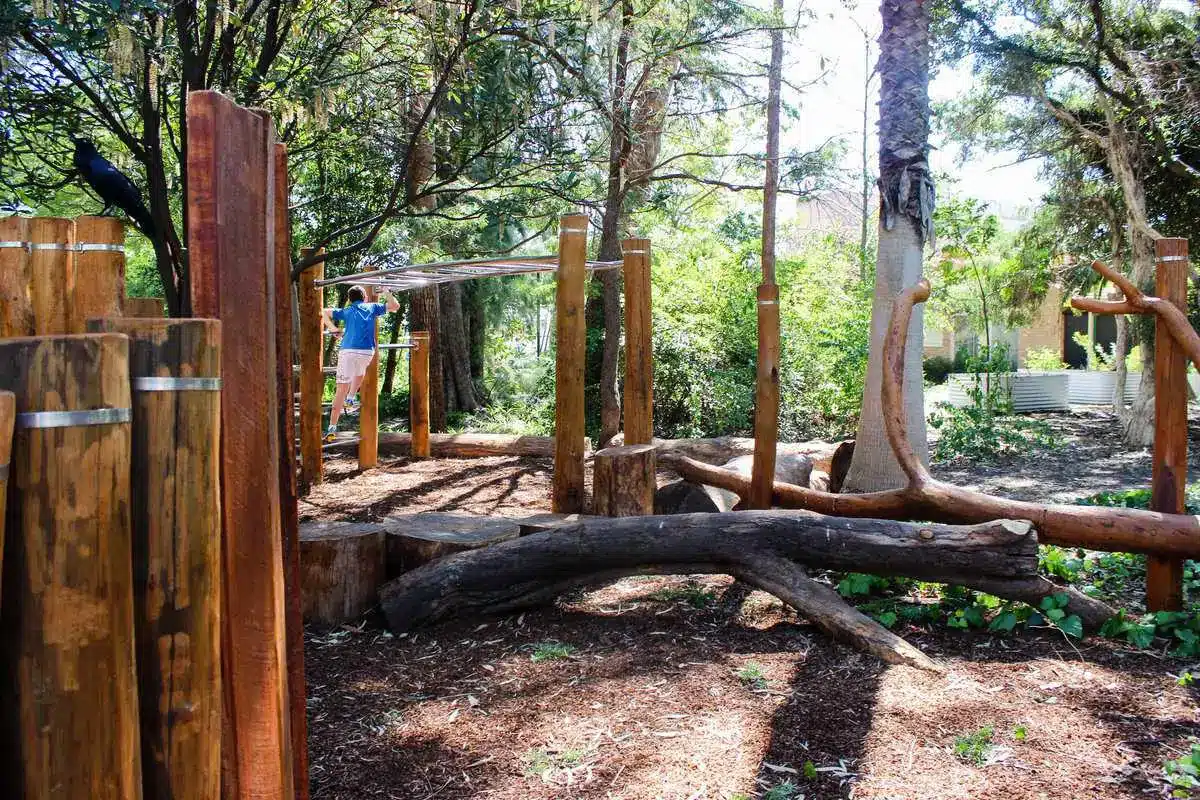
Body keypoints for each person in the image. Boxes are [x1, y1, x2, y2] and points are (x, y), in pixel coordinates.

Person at [322, 284, 400, 443]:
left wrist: (332, 329)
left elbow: (323, 311)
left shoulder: (346, 311)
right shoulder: (372, 307)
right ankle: (350, 398)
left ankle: (332, 428)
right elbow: (395, 306)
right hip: (366, 351)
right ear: (364, 297)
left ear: (350, 300)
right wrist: (386, 291)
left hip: (347, 350)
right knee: (360, 372)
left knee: (340, 389)